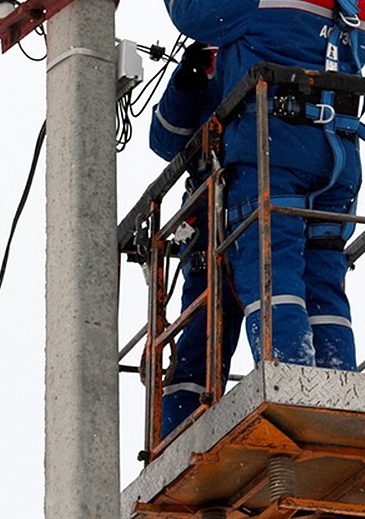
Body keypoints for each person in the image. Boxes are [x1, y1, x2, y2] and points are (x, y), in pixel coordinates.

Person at [162, 0, 365, 371]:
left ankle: (290, 373)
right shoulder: (354, 0)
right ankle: (334, 379)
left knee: (271, 264)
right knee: (323, 273)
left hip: (273, 150)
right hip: (339, 157)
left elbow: (197, 15)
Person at [148, 40, 242, 437]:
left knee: (264, 309)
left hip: (259, 196)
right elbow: (165, 141)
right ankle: (183, 428)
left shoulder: (264, 48)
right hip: (212, 206)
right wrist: (185, 80)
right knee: (207, 324)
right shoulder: (211, 65)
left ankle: (292, 388)